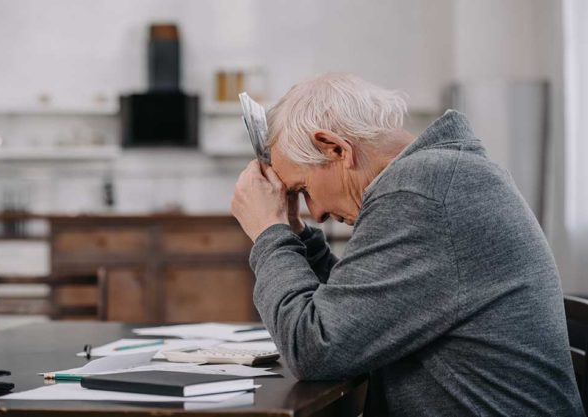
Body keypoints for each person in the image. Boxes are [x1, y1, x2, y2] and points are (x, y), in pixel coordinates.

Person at [230, 73, 583, 416]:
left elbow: (313, 348)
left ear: (335, 148)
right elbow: (359, 315)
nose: (316, 214)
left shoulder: (421, 194)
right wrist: (296, 235)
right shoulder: (441, 178)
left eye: (304, 190)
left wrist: (268, 232)